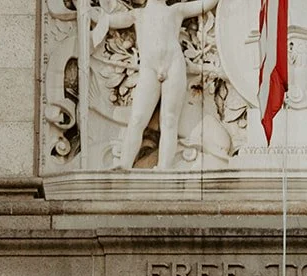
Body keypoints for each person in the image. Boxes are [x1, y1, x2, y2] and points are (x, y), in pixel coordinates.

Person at [88, 0, 219, 170]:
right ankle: (125, 165)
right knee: (137, 119)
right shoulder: (138, 15)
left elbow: (204, 4)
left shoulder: (176, 11)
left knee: (170, 120)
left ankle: (164, 168)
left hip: (174, 66)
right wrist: (84, 8)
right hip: (149, 69)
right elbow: (108, 20)